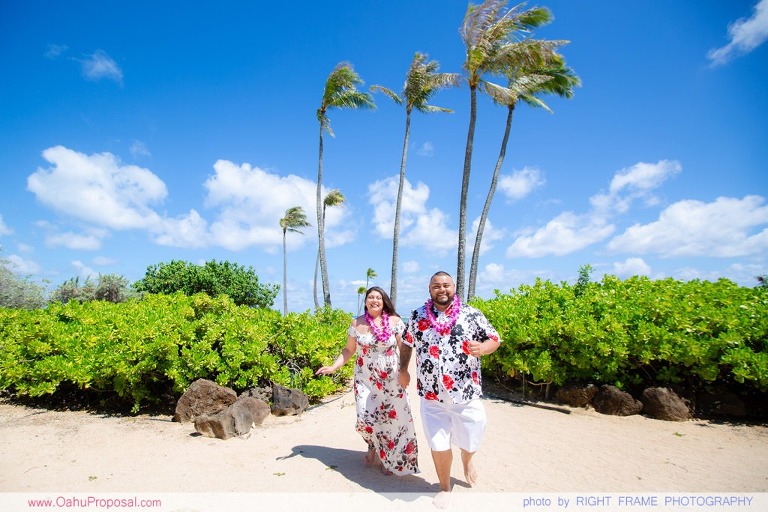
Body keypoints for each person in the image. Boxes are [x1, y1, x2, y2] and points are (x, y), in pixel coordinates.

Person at [400, 271, 500, 492]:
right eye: (436, 286)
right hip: (431, 392)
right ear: (429, 289)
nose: (441, 289)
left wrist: (482, 348)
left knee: (472, 434)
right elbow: (407, 343)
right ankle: (444, 488)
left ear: (454, 287)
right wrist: (403, 370)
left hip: (465, 391)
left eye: (446, 285)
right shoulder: (417, 316)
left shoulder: (471, 314)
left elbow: (494, 338)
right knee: (438, 443)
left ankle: (467, 458)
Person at [316, 286, 419, 476]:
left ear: (384, 301)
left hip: (390, 378)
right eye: (370, 297)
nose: (374, 300)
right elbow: (348, 350)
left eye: (378, 297)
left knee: (391, 418)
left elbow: (404, 347)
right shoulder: (356, 324)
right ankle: (372, 445)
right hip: (365, 378)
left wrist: (405, 371)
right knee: (364, 417)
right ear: (365, 302)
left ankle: (388, 457)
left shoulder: (395, 321)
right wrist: (333, 367)